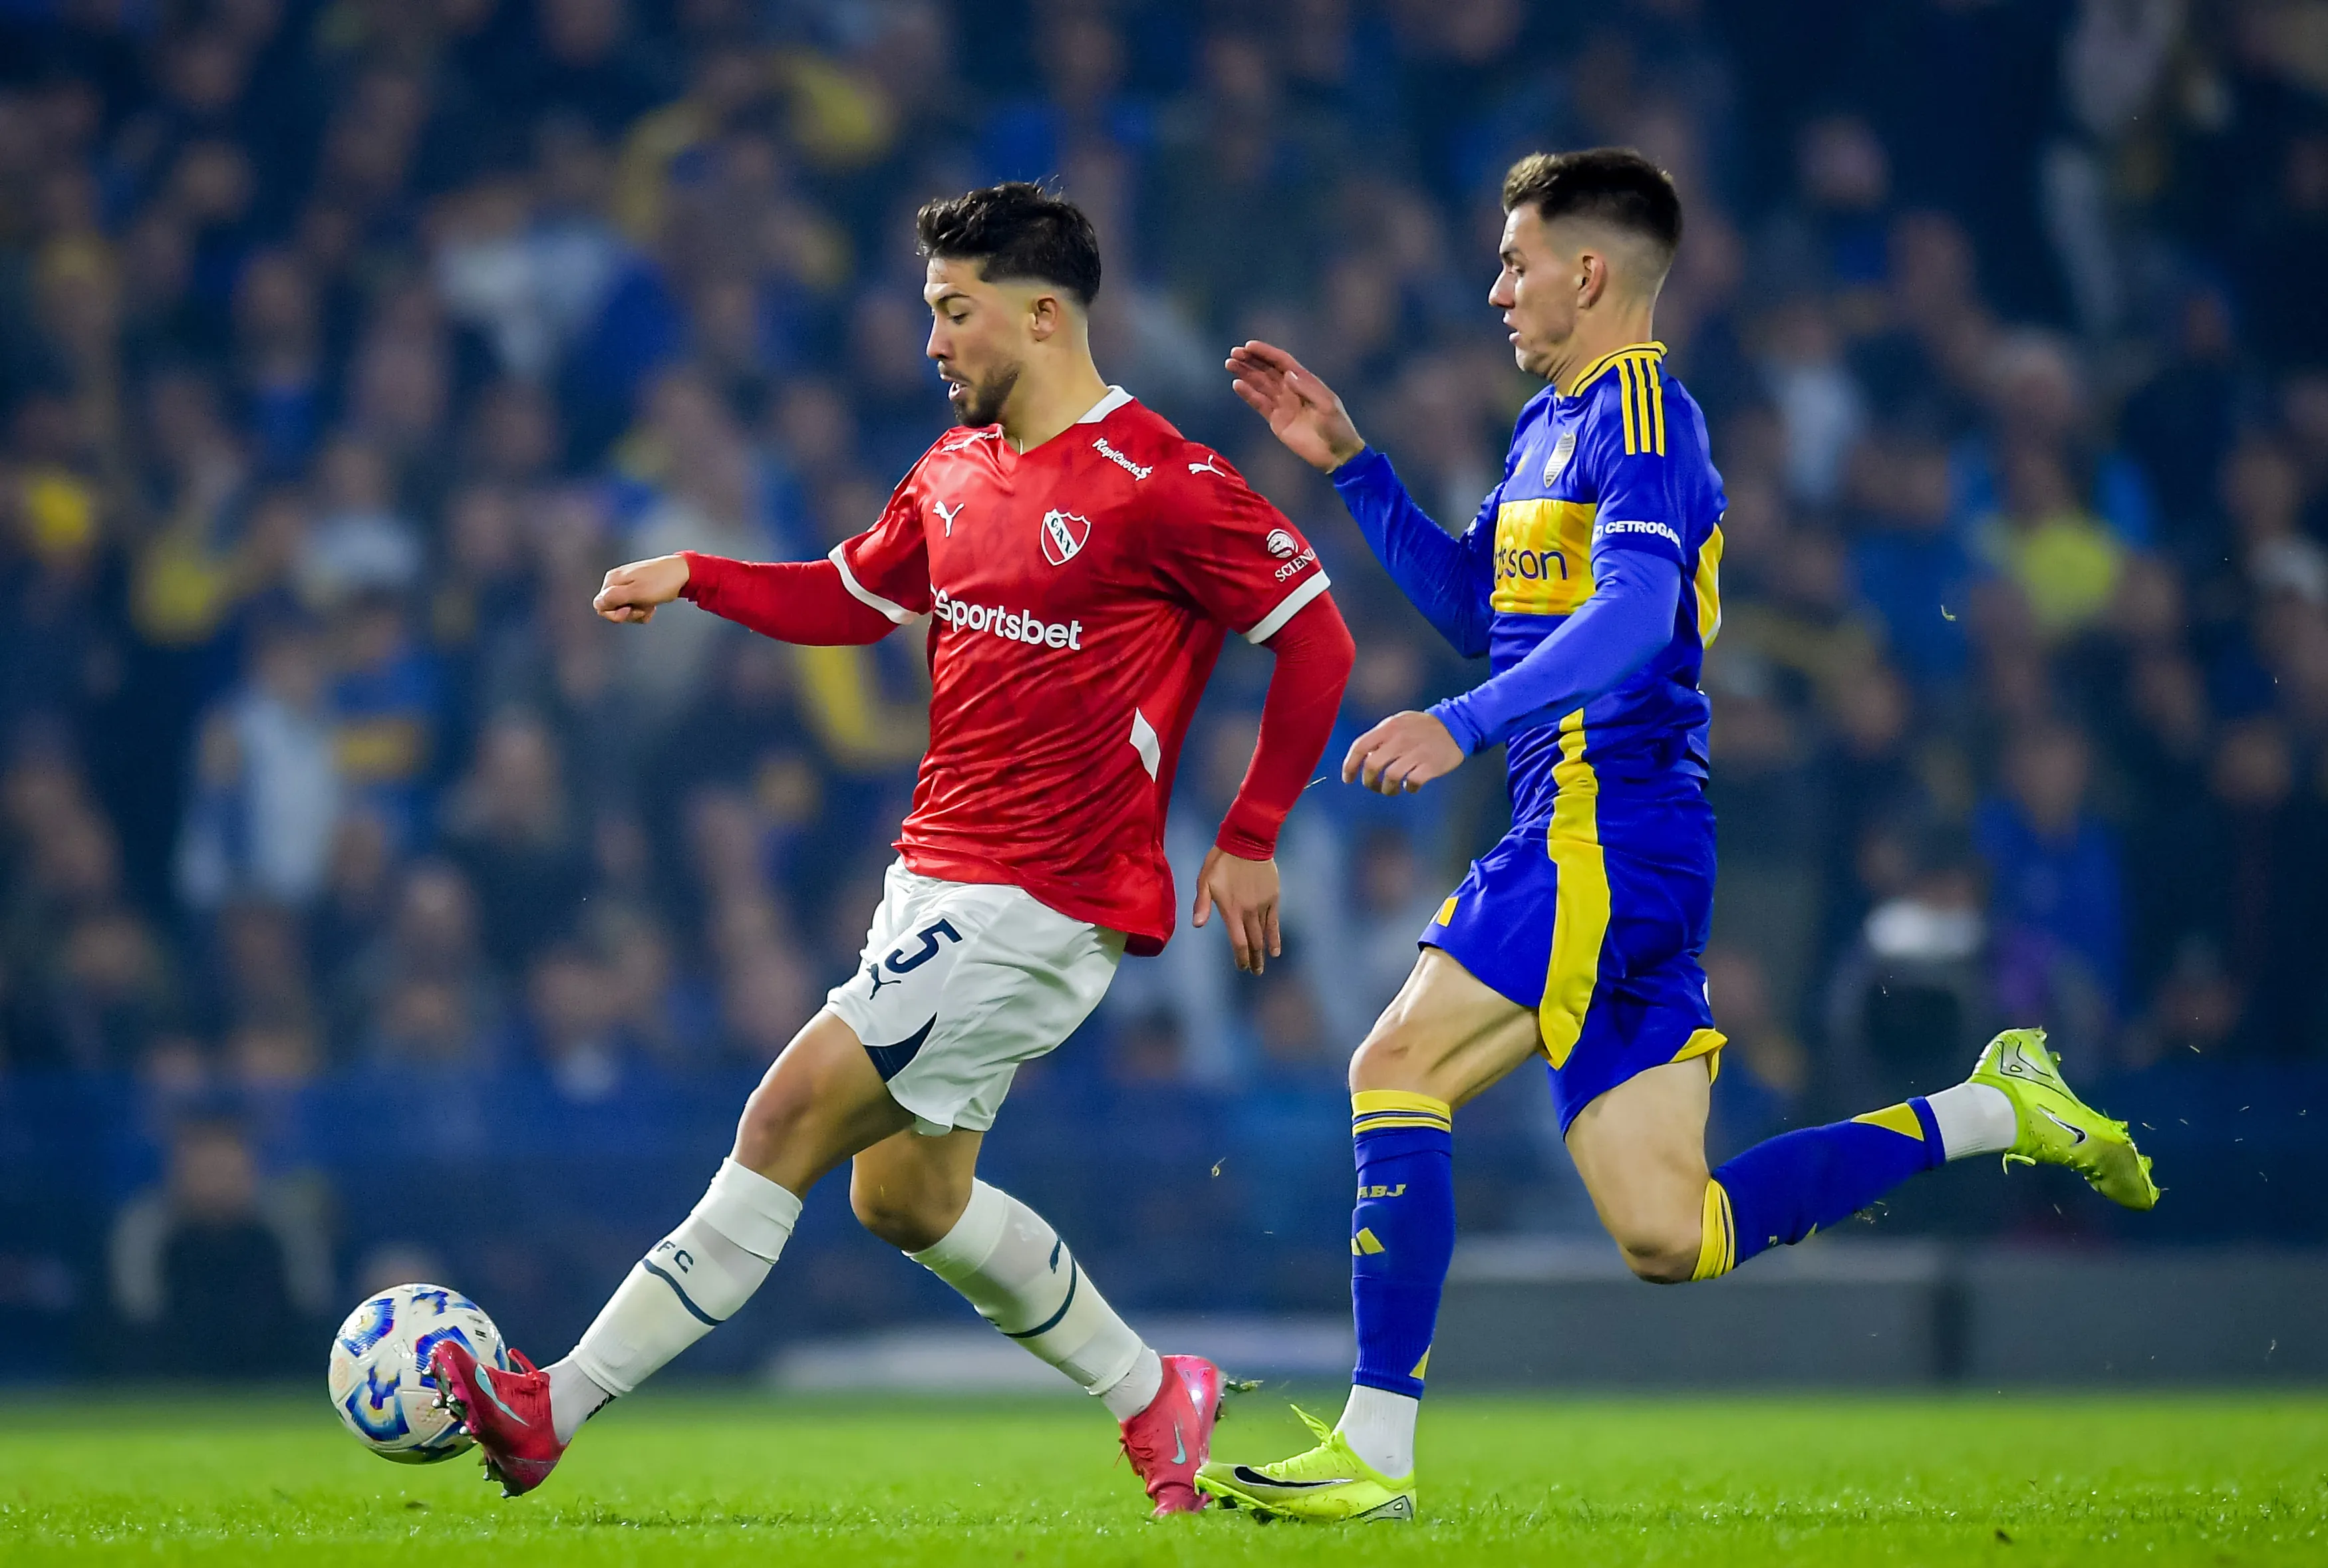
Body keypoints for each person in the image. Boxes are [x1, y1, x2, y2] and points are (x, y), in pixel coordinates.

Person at [1197, 148, 2157, 1525]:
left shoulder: (1643, 417)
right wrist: (1353, 467)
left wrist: (1463, 727)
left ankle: (1375, 1448)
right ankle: (1998, 1106)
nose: (1495, 289)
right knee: (1672, 1231)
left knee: (1391, 1062)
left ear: (1589, 273)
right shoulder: (1547, 429)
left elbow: (1641, 617)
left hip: (1603, 823)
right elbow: (1487, 608)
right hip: (1611, 845)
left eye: (1516, 263)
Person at [430, 182, 1355, 1517]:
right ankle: (1154, 1392)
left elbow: (1314, 637)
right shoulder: (952, 470)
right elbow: (851, 600)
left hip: (1045, 900)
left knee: (781, 1116)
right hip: (932, 880)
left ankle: (550, 1404)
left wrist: (1255, 832)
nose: (932, 341)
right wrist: (700, 573)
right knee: (908, 1201)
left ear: (1042, 316)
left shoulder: (1163, 481)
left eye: (953, 311)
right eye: (929, 311)